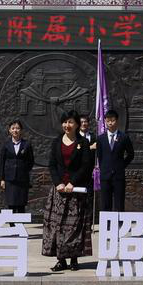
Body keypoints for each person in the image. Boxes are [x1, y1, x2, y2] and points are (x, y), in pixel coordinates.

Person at [42, 110, 92, 271]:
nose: (67, 125)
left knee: (74, 226)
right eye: (65, 122)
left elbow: (86, 166)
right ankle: (61, 260)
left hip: (75, 191)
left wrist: (72, 182)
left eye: (70, 122)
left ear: (77, 124)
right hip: (59, 191)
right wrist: (58, 183)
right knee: (58, 226)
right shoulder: (56, 141)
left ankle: (74, 259)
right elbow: (52, 165)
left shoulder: (83, 143)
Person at [96, 109, 134, 212]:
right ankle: (107, 226)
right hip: (105, 176)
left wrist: (121, 165)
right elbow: (99, 155)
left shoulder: (124, 137)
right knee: (105, 203)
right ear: (105, 122)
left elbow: (131, 154)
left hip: (118, 176)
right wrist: (104, 167)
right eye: (108, 121)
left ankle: (119, 225)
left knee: (119, 203)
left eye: (112, 120)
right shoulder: (100, 138)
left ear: (117, 121)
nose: (110, 123)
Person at [0, 119, 34, 214]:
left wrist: (23, 169)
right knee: (11, 203)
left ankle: (20, 225)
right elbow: (2, 162)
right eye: (13, 128)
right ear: (9, 130)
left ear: (21, 130)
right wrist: (2, 179)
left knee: (21, 203)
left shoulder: (26, 144)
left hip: (22, 179)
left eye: (17, 128)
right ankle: (12, 226)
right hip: (9, 179)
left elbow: (31, 161)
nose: (15, 130)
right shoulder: (6, 145)